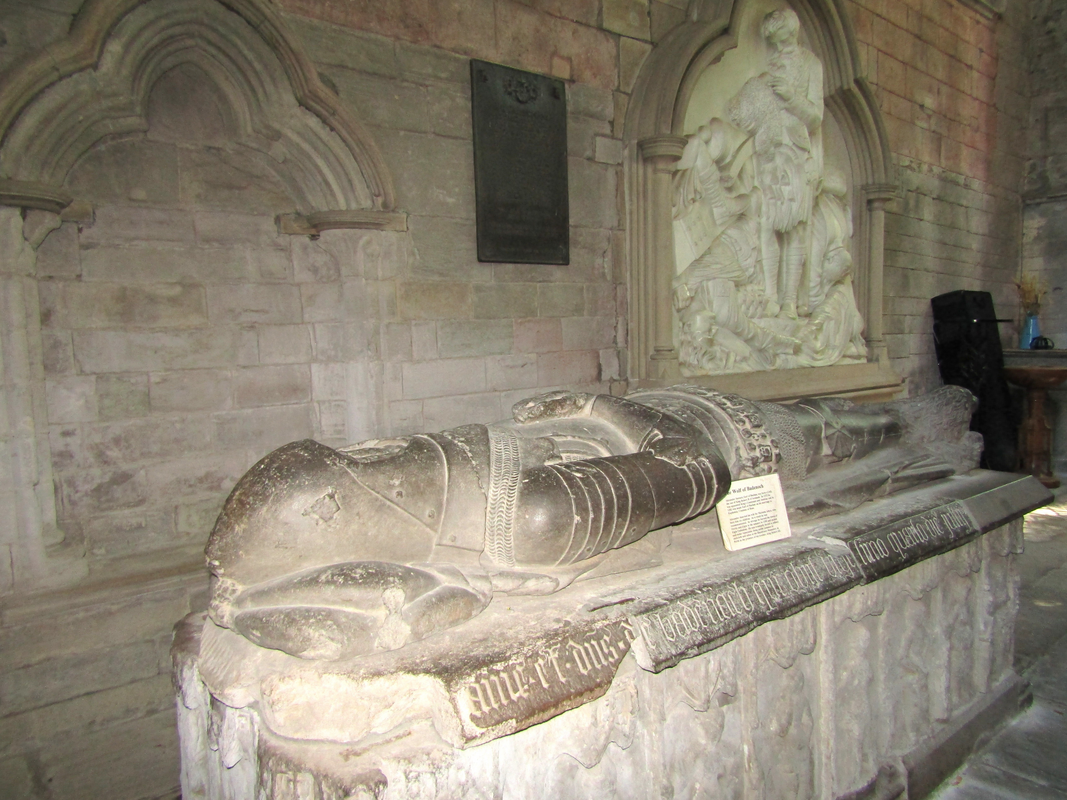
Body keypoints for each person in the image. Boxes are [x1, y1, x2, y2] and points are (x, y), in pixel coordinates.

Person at [205, 385, 979, 660]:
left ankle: (917, 424)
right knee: (836, 428)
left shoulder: (448, 467)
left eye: (355, 453)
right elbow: (694, 469)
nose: (380, 453)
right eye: (361, 471)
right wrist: (594, 405)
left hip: (681, 415)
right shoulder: (532, 518)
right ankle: (916, 428)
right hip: (737, 440)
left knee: (834, 419)